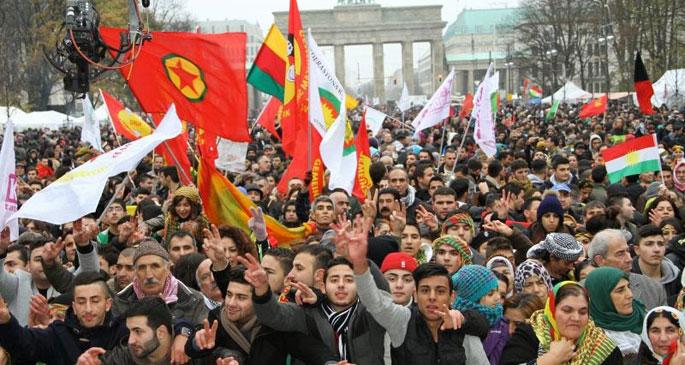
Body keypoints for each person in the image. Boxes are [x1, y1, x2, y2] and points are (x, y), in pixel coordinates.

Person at [331, 215, 490, 365]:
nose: (432, 297)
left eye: (440, 291)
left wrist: (463, 320)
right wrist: (359, 264)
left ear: (452, 297)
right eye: (425, 290)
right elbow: (376, 303)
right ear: (415, 294)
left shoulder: (462, 326)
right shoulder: (403, 320)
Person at [185, 266, 338, 364]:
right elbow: (193, 349)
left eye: (241, 297)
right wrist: (197, 343)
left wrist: (330, 363)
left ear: (258, 301)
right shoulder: (217, 318)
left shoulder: (275, 325)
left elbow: (311, 349)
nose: (230, 303)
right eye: (229, 295)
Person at [112, 239, 210, 364]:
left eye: (155, 266)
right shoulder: (122, 301)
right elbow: (120, 344)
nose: (149, 275)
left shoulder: (192, 299)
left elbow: (203, 334)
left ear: (168, 268)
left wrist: (185, 335)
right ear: (135, 272)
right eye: (142, 268)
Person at [0, 272, 128, 365]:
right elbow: (23, 342)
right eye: (81, 302)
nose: (88, 309)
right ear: (74, 306)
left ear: (108, 304)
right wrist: (6, 321)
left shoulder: (124, 333)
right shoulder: (58, 334)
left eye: (95, 301)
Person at [501, 281, 623, 365]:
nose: (576, 318)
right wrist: (551, 359)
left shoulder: (602, 347)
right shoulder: (529, 335)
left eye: (582, 312)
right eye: (567, 310)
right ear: (552, 311)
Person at [76, 297, 176, 365]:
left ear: (161, 333)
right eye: (130, 331)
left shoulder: (186, 352)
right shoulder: (128, 354)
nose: (130, 341)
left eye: (138, 331)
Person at [588, 228, 667, 309]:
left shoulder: (654, 288)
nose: (629, 259)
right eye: (620, 254)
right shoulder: (582, 292)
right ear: (600, 260)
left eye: (628, 251)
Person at [585, 266, 646, 363]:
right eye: (620, 290)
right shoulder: (591, 337)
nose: (630, 295)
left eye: (628, 287)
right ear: (602, 298)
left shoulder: (644, 316)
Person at [452, 265, 508, 365]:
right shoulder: (458, 327)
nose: (498, 297)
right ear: (473, 298)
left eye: (498, 292)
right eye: (490, 294)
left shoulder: (502, 323)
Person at [631, 224, 682, 302]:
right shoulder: (627, 276)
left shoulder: (676, 276)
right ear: (637, 250)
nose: (657, 249)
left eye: (660, 244)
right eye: (649, 244)